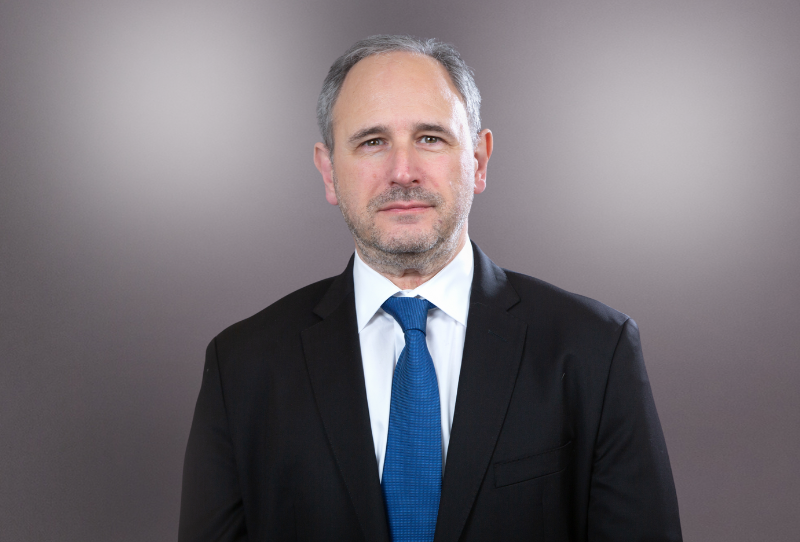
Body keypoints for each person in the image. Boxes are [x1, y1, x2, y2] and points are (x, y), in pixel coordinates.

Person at [179, 35, 682, 542]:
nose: (403, 172)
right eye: (372, 142)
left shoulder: (595, 350)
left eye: (430, 138)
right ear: (329, 171)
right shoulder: (241, 367)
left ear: (479, 161)